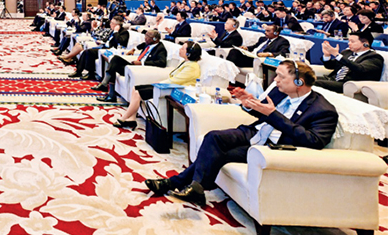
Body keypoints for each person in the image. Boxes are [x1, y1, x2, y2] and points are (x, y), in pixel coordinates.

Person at [144, 60, 338, 207]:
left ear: (298, 82)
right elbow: (263, 111)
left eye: (281, 77)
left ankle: (177, 184)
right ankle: (195, 188)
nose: (275, 80)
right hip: (254, 132)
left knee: (221, 154)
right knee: (213, 137)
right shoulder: (279, 92)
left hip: (272, 147)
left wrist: (273, 115)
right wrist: (249, 105)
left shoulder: (323, 110)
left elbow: (314, 141)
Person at [112, 41, 202, 128]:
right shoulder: (187, 62)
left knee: (139, 92)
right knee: (135, 88)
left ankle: (124, 118)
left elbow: (176, 81)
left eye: (183, 48)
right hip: (167, 86)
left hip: (173, 89)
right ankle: (132, 118)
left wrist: (159, 83)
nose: (180, 49)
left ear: (188, 53)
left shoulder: (192, 67)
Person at [96, 29, 168, 103]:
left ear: (155, 39)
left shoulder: (160, 49)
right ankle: (109, 91)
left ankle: (108, 90)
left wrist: (141, 63)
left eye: (148, 36)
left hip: (140, 69)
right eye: (145, 35)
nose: (145, 38)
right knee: (115, 60)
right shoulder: (148, 43)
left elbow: (161, 63)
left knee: (114, 67)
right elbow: (140, 46)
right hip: (133, 66)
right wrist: (133, 49)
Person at [316, 32, 384, 93]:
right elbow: (330, 66)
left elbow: (360, 69)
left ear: (365, 44)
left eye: (352, 41)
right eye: (349, 41)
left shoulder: (374, 57)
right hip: (332, 79)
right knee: (309, 78)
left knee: (314, 83)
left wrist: (337, 55)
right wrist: (327, 55)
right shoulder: (347, 52)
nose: (349, 43)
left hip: (347, 84)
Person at [226, 24, 290, 68]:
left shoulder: (282, 41)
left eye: (268, 31)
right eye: (265, 30)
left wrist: (268, 54)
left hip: (258, 60)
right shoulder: (263, 38)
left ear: (276, 33)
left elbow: (283, 53)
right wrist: (246, 48)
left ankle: (228, 71)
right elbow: (254, 47)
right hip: (251, 56)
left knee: (234, 54)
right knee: (234, 51)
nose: (265, 32)